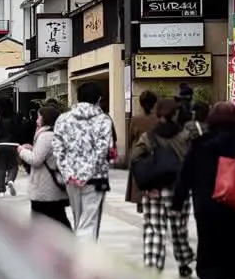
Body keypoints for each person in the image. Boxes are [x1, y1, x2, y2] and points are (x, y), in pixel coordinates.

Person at [172, 103, 235, 279]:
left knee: (209, 252)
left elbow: (185, 175)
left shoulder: (200, 143)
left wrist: (177, 203)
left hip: (207, 210)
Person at [128, 98, 194, 277]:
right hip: (179, 190)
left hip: (154, 190)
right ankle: (184, 261)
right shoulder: (185, 136)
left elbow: (135, 158)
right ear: (175, 114)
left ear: (158, 115)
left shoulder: (148, 137)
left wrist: (146, 184)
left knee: (154, 229)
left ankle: (152, 266)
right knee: (179, 228)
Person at [52, 82, 115, 239]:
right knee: (89, 223)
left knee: (78, 219)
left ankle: (77, 256)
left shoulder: (63, 119)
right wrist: (85, 175)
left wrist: (69, 174)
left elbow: (58, 150)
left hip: (71, 180)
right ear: (98, 99)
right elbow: (102, 151)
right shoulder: (103, 120)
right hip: (94, 179)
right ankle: (85, 260)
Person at [18, 104, 70, 227]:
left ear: (45, 119)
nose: (36, 120)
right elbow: (45, 154)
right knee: (59, 221)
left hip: (45, 191)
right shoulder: (54, 134)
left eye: (39, 117)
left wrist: (22, 151)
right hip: (52, 190)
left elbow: (36, 160)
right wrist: (32, 148)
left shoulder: (46, 136)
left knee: (44, 223)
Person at [125, 90, 159, 211]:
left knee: (139, 181)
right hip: (155, 155)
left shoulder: (135, 120)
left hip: (139, 154)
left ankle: (140, 204)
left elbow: (130, 139)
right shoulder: (158, 119)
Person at [0, 100, 21, 195]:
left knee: (0, 168)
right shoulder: (15, 116)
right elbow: (20, 130)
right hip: (13, 144)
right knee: (14, 165)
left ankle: (1, 191)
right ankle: (10, 180)